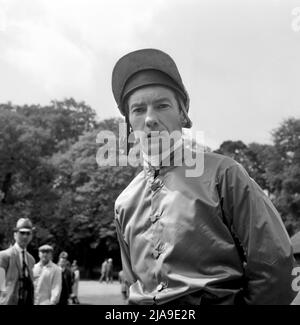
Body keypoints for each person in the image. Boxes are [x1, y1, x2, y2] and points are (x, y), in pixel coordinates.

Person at [111, 48, 297, 305]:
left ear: (182, 114)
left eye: (162, 105)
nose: (150, 119)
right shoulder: (124, 203)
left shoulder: (225, 174)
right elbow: (133, 283)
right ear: (130, 124)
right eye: (139, 110)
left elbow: (275, 264)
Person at [0, 218, 35, 305]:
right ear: (15, 234)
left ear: (31, 236)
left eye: (28, 233)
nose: (25, 236)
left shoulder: (31, 260)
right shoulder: (4, 256)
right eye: (22, 233)